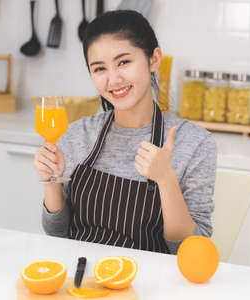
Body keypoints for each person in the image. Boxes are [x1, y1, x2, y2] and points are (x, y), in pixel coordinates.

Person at [34, 10, 217, 255]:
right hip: (81, 279)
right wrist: (51, 181)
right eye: (99, 69)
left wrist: (165, 179)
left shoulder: (194, 143)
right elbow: (56, 232)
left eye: (123, 62)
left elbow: (191, 249)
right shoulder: (78, 134)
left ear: (153, 59)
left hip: (148, 286)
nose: (113, 79)